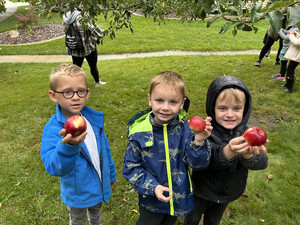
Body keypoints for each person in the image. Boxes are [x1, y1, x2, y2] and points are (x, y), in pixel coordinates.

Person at [123, 71, 212, 225]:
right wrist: (153, 187)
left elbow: (198, 164)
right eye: (159, 100)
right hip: (151, 201)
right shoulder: (139, 133)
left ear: (182, 103)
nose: (165, 107)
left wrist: (198, 141)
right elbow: (131, 167)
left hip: (178, 198)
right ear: (150, 99)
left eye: (173, 102)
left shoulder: (188, 130)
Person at [185, 76, 268, 225]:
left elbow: (261, 163)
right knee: (192, 218)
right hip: (201, 190)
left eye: (237, 108)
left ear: (245, 109)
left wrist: (248, 154)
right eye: (222, 108)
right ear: (212, 107)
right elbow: (202, 161)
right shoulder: (206, 132)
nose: (230, 114)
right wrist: (228, 150)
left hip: (229, 192)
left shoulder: (248, 132)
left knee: (213, 221)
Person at [40, 64, 117, 225]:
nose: (75, 97)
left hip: (98, 187)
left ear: (87, 93)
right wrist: (69, 146)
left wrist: (111, 173)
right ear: (53, 96)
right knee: (77, 221)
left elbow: (104, 149)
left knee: (96, 216)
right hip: (77, 193)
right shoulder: (54, 129)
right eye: (67, 92)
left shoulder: (93, 120)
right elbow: (54, 166)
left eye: (81, 91)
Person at [63, 10, 106, 87]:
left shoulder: (66, 17)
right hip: (88, 48)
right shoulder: (83, 17)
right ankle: (97, 82)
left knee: (76, 68)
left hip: (75, 47)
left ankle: (74, 85)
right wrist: (103, 33)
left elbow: (65, 31)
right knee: (93, 66)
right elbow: (96, 32)